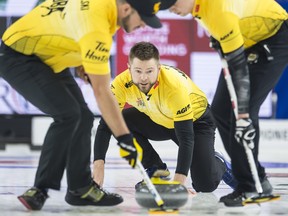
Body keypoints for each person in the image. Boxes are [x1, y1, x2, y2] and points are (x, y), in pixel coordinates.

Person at [0, 0, 167, 211]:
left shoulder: (108, 9)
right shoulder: (97, 28)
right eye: (142, 20)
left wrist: (82, 59)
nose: (144, 26)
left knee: (84, 117)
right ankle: (39, 189)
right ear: (126, 9)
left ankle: (81, 189)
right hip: (19, 55)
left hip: (47, 52)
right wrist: (125, 138)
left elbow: (69, 20)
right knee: (68, 115)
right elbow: (102, 92)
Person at [160, 0, 288, 207]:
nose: (172, 9)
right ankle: (253, 178)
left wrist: (244, 114)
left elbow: (238, 68)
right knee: (220, 110)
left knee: (243, 113)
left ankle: (251, 184)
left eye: (173, 3)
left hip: (272, 36)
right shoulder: (198, 8)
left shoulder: (217, 10)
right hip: (246, 39)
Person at [93, 41, 236, 193]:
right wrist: (98, 166)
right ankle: (156, 170)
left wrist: (178, 184)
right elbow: (106, 124)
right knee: (118, 121)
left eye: (149, 71)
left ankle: (219, 162)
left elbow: (186, 137)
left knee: (205, 184)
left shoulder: (173, 86)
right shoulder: (121, 84)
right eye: (138, 71)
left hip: (196, 123)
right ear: (129, 69)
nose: (143, 78)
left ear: (158, 68)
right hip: (159, 118)